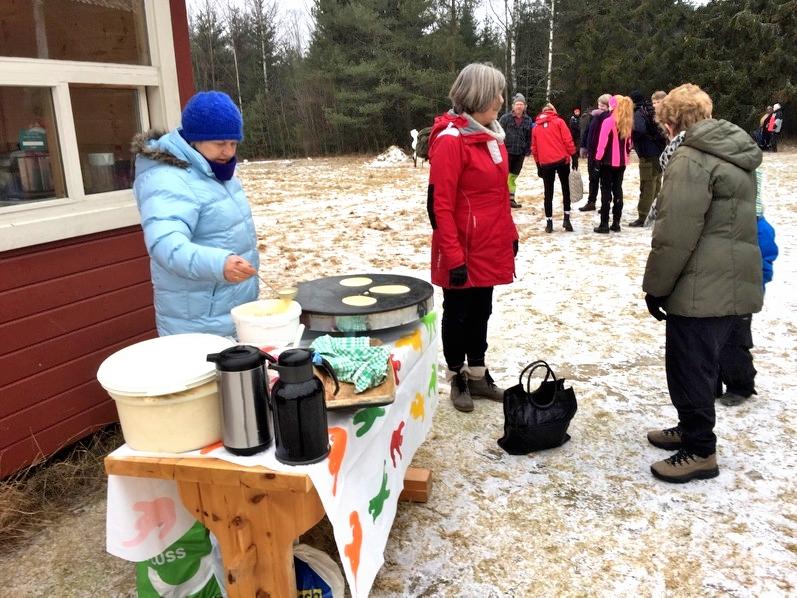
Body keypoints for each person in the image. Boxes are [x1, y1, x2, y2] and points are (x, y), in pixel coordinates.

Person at [643, 83, 763, 483]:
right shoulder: (730, 154)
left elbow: (675, 234)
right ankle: (689, 428)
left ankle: (700, 451)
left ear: (673, 121)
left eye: (664, 123)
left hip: (701, 287)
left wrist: (656, 287)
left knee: (689, 367)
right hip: (729, 280)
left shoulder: (690, 159)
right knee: (699, 365)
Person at [427, 62, 518, 412]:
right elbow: (439, 206)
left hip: (490, 245)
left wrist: (511, 233)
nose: (501, 100)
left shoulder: (492, 136)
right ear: (478, 95)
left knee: (482, 310)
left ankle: (478, 373)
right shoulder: (451, 140)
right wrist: (453, 257)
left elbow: (498, 196)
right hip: (461, 248)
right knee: (458, 313)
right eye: (496, 93)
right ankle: (457, 375)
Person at [132, 90, 259, 338]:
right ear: (195, 139)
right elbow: (165, 245)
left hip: (231, 309)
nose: (229, 152)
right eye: (220, 144)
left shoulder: (216, 171)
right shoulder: (168, 179)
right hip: (198, 321)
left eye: (233, 143)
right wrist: (219, 264)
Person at [716, 167, 779, 406]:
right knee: (716, 339)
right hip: (722, 291)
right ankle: (715, 381)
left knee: (735, 343)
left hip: (744, 295)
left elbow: (765, 263)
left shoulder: (760, 228)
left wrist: (754, 281)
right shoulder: (727, 225)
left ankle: (741, 385)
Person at [531, 103, 576, 233]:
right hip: (562, 160)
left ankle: (549, 222)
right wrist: (574, 155)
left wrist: (538, 164)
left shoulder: (536, 127)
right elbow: (567, 140)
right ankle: (566, 219)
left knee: (548, 192)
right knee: (566, 189)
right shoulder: (559, 122)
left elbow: (534, 148)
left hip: (546, 163)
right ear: (553, 111)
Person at [593, 95, 633, 233]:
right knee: (618, 190)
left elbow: (602, 143)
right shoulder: (627, 122)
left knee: (605, 191)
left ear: (612, 106)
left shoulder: (608, 121)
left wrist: (597, 159)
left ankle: (604, 224)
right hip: (621, 162)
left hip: (607, 162)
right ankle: (616, 223)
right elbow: (629, 144)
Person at [628, 90, 667, 227]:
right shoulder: (659, 113)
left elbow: (639, 129)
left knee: (647, 185)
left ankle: (643, 215)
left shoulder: (639, 113)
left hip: (648, 153)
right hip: (660, 152)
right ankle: (655, 212)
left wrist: (635, 139)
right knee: (656, 183)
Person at [498, 93, 534, 209]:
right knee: (503, 176)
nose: (519, 106)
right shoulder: (505, 118)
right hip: (506, 152)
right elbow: (498, 134)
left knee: (513, 176)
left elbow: (529, 136)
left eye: (521, 104)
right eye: (517, 104)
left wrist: (527, 149)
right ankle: (501, 199)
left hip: (520, 153)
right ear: (513, 106)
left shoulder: (528, 120)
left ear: (525, 106)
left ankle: (511, 199)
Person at [578, 94, 611, 212]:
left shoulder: (609, 118)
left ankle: (605, 204)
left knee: (605, 181)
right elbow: (587, 132)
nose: (600, 107)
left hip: (604, 154)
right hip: (592, 153)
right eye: (599, 105)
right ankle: (591, 202)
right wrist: (583, 146)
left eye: (603, 106)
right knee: (592, 178)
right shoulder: (594, 117)